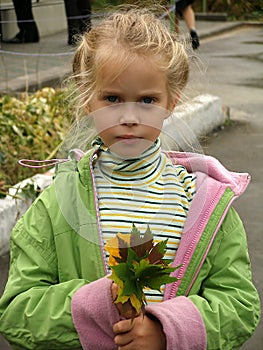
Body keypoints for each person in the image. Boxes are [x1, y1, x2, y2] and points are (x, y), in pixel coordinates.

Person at [0, 7, 260, 350]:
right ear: (87, 100)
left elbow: (238, 304)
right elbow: (17, 310)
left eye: (148, 100)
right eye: (112, 98)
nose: (129, 116)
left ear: (172, 102)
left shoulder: (204, 200)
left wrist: (168, 330)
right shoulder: (57, 202)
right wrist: (96, 306)